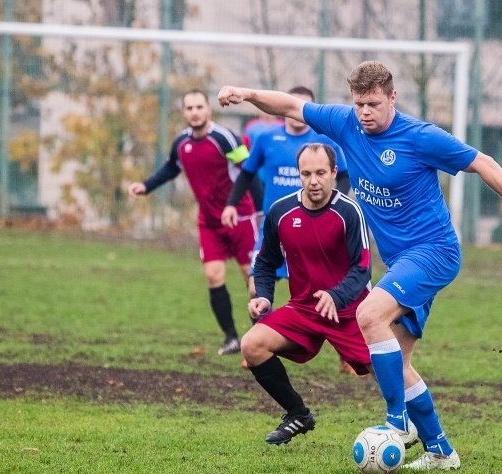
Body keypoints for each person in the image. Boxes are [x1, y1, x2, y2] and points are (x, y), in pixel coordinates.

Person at [218, 60, 502, 471]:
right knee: (396, 364)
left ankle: (397, 423)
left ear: (392, 97)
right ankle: (441, 452)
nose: (365, 112)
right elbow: (290, 106)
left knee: (368, 313)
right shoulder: (346, 124)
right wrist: (247, 94)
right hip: (400, 263)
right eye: (359, 104)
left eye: (373, 103)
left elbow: (482, 163)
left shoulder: (421, 136)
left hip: (434, 251)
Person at [242, 143, 381, 445]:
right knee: (252, 345)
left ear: (333, 173)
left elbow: (362, 269)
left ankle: (410, 426)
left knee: (388, 370)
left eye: (320, 173)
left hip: (350, 312)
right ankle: (298, 414)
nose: (313, 181)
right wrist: (264, 295)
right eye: (306, 174)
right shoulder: (281, 212)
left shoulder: (349, 211)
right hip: (303, 309)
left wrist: (336, 296)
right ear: (299, 175)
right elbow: (265, 262)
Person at [221, 85, 355, 375]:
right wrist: (232, 204)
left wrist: (335, 208)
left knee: (326, 291)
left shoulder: (323, 142)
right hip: (274, 228)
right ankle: (258, 344)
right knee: (257, 282)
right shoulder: (267, 138)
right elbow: (246, 174)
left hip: (313, 232)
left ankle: (346, 354)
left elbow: (343, 177)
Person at [128, 89, 257, 356]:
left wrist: (261, 210)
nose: (195, 112)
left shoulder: (226, 139)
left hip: (241, 217)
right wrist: (146, 186)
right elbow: (172, 168)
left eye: (199, 107)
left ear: (208, 110)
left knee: (253, 280)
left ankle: (259, 340)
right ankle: (231, 338)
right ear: (184, 113)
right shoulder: (181, 143)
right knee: (213, 275)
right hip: (209, 222)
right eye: (189, 108)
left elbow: (249, 172)